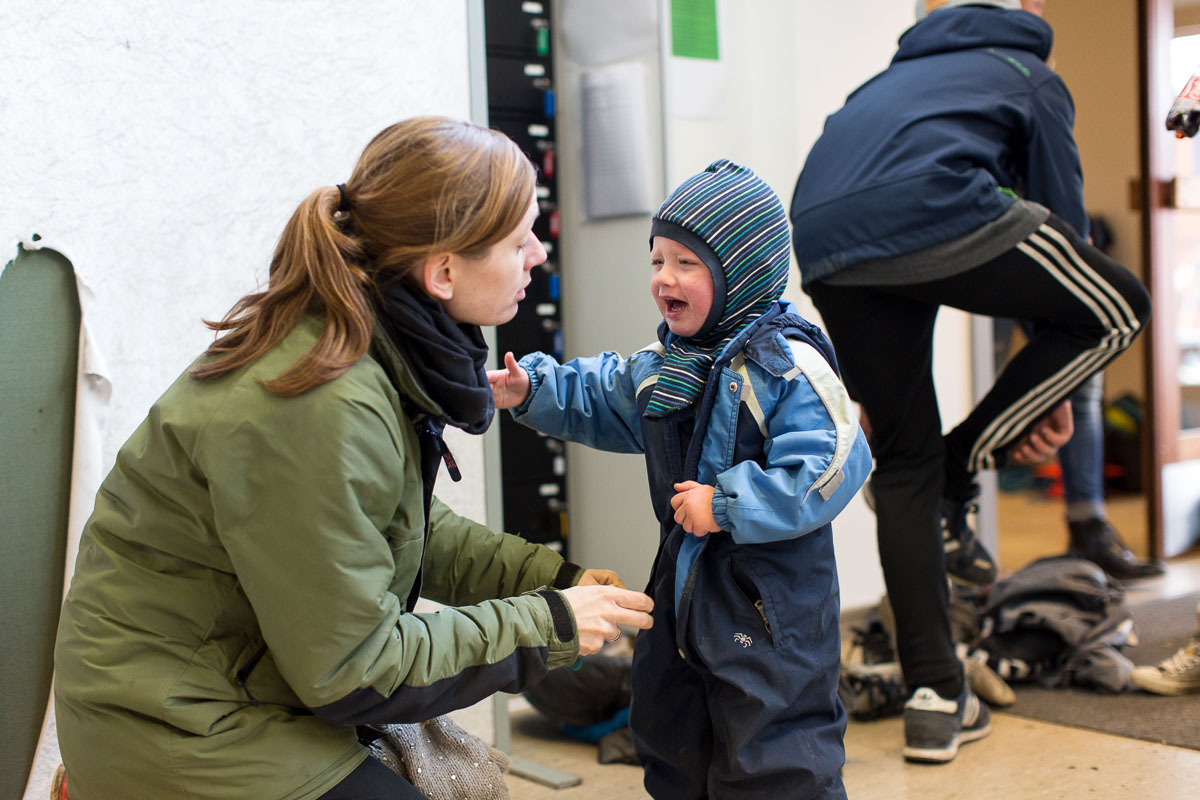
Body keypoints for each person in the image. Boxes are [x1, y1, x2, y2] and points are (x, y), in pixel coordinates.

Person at [52, 116, 655, 800]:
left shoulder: (364, 346)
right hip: (173, 725)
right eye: (520, 241)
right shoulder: (323, 402)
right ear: (444, 270)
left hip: (244, 684)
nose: (539, 256)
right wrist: (550, 621)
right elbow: (354, 669)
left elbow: (402, 533)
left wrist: (555, 577)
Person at [789, 0, 1152, 764]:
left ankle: (935, 695)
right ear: (1029, 10)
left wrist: (1039, 393)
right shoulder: (1029, 71)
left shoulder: (880, 87)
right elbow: (1065, 231)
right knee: (1118, 307)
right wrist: (1047, 390)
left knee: (903, 465)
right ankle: (959, 470)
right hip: (928, 210)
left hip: (823, 238)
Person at [490, 159, 872, 799]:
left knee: (775, 752)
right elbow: (601, 392)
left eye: (686, 263)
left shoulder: (785, 364)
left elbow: (835, 461)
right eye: (656, 261)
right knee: (670, 730)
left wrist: (728, 505)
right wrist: (532, 389)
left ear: (741, 269)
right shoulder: (666, 364)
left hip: (773, 605)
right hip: (682, 586)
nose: (663, 278)